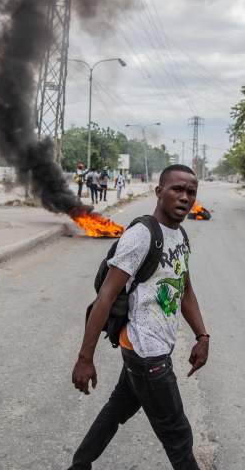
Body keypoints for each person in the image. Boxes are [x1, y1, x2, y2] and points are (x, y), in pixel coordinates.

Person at [70, 164, 209, 470]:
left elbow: (184, 288)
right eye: (177, 189)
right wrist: (84, 358)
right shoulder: (142, 235)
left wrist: (202, 335)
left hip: (145, 352)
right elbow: (105, 297)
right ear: (159, 192)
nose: (185, 197)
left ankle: (78, 466)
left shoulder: (180, 235)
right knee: (178, 436)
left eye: (191, 192)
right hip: (148, 355)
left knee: (115, 411)